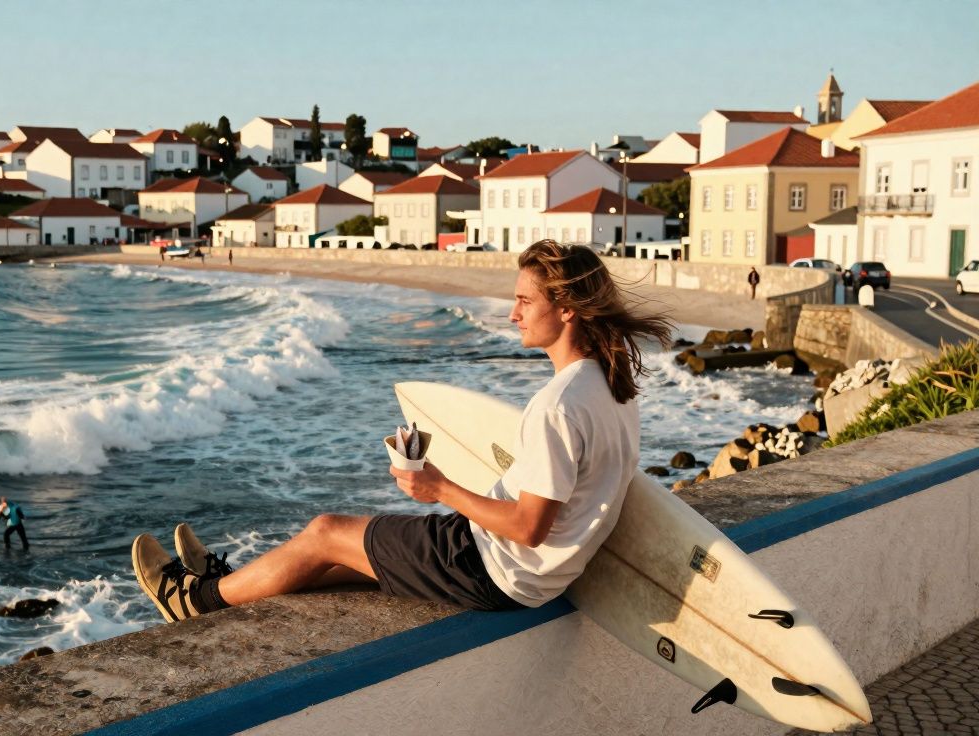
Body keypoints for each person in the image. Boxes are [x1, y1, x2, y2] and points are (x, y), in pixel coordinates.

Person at [131, 240, 673, 622]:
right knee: (345, 554)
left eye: (524, 301)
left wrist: (438, 489)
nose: (512, 314)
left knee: (325, 530)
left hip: (495, 569)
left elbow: (529, 527)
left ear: (569, 309)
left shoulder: (558, 405)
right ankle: (227, 581)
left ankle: (192, 600)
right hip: (528, 573)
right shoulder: (611, 385)